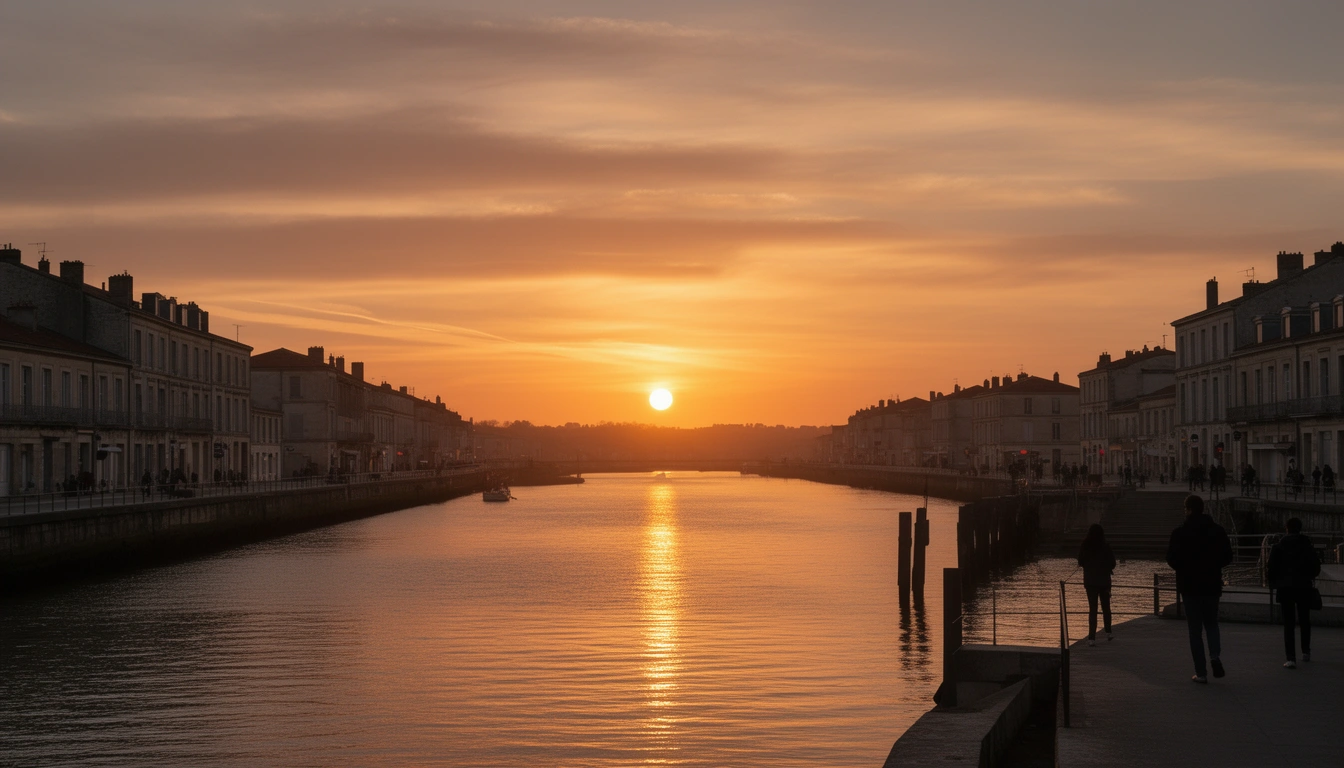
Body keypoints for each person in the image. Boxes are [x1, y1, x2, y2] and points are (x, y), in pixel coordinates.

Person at [1166, 494, 1233, 683]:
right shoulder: (1217, 531)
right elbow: (1228, 556)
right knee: (1212, 624)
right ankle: (1215, 656)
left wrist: (1185, 567)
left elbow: (1171, 558)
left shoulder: (1179, 532)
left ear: (1187, 509)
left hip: (1189, 586)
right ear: (1202, 509)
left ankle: (1201, 673)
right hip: (1211, 584)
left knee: (1194, 630)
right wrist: (1214, 565)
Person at [1267, 518, 1321, 668]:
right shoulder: (1307, 545)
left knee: (1288, 623)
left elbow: (1271, 568)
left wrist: (1274, 583)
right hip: (1303, 586)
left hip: (1285, 588)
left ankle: (1290, 657)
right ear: (1300, 529)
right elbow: (1316, 567)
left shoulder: (1278, 547)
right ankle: (1306, 651)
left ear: (1287, 529)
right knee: (1304, 619)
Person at [1078, 524, 1117, 646]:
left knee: (1093, 609)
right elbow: (1113, 563)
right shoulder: (1105, 547)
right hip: (1104, 581)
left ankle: (1091, 638)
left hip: (1090, 582)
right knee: (1106, 607)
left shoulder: (1085, 546)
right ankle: (1108, 632)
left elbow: (1080, 561)